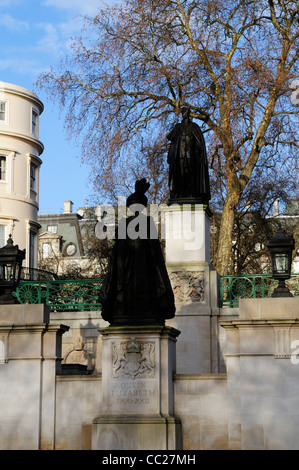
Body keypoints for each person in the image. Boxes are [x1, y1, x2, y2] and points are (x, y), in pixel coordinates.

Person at [167, 107, 211, 204]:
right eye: (182, 112)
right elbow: (169, 137)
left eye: (185, 111)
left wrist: (199, 152)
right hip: (180, 155)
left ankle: (193, 193)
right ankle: (181, 193)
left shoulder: (194, 127)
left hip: (192, 155)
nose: (183, 113)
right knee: (180, 174)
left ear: (189, 113)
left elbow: (199, 143)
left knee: (192, 174)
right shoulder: (178, 127)